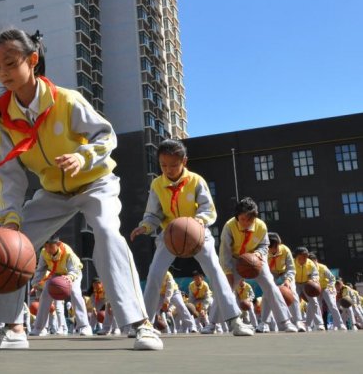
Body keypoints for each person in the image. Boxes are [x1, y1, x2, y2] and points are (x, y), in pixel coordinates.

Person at [0, 28, 160, 351]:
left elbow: (106, 136)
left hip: (95, 181)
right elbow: (9, 175)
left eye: (10, 63)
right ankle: (12, 328)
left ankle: (141, 324)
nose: (3, 73)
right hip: (54, 192)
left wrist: (82, 156)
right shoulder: (7, 119)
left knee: (106, 232)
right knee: (14, 245)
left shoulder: (66, 100)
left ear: (32, 60)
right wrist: (11, 217)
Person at [131, 139, 254, 337]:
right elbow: (153, 214)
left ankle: (234, 320)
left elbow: (208, 209)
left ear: (184, 161)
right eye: (163, 165)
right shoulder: (157, 184)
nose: (168, 169)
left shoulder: (196, 181)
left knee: (215, 271)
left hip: (198, 232)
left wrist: (198, 221)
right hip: (170, 234)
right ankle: (144, 323)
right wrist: (144, 226)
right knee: (154, 274)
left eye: (173, 165)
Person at [218, 198, 297, 333]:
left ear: (255, 217)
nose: (245, 223)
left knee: (270, 285)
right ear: (237, 216)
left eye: (249, 220)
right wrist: (228, 272)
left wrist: (258, 255)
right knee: (225, 288)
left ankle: (285, 322)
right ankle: (213, 323)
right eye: (242, 219)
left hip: (255, 259)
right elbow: (225, 251)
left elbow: (264, 245)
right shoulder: (229, 226)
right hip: (235, 259)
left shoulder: (261, 226)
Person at [29, 235, 92, 336]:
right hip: (56, 274)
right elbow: (40, 270)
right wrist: (35, 283)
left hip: (72, 273)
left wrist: (69, 277)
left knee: (75, 292)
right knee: (45, 294)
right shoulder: (44, 252)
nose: (47, 249)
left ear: (58, 244)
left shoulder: (68, 252)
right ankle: (39, 328)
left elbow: (74, 270)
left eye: (50, 246)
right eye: (45, 246)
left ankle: (85, 326)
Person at [307, 252, 344, 331]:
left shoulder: (323, 267)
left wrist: (330, 287)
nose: (311, 264)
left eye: (313, 261)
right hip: (316, 289)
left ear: (316, 260)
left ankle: (340, 324)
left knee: (332, 304)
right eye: (309, 262)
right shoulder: (308, 269)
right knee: (313, 305)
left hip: (326, 287)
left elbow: (332, 278)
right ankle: (309, 325)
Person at [293, 246, 320, 332]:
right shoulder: (292, 263)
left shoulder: (310, 263)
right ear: (297, 256)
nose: (305, 258)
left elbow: (315, 274)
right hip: (295, 283)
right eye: (302, 256)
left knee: (314, 303)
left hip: (307, 283)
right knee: (294, 301)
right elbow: (289, 273)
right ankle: (298, 323)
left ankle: (317, 324)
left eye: (306, 256)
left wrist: (314, 280)